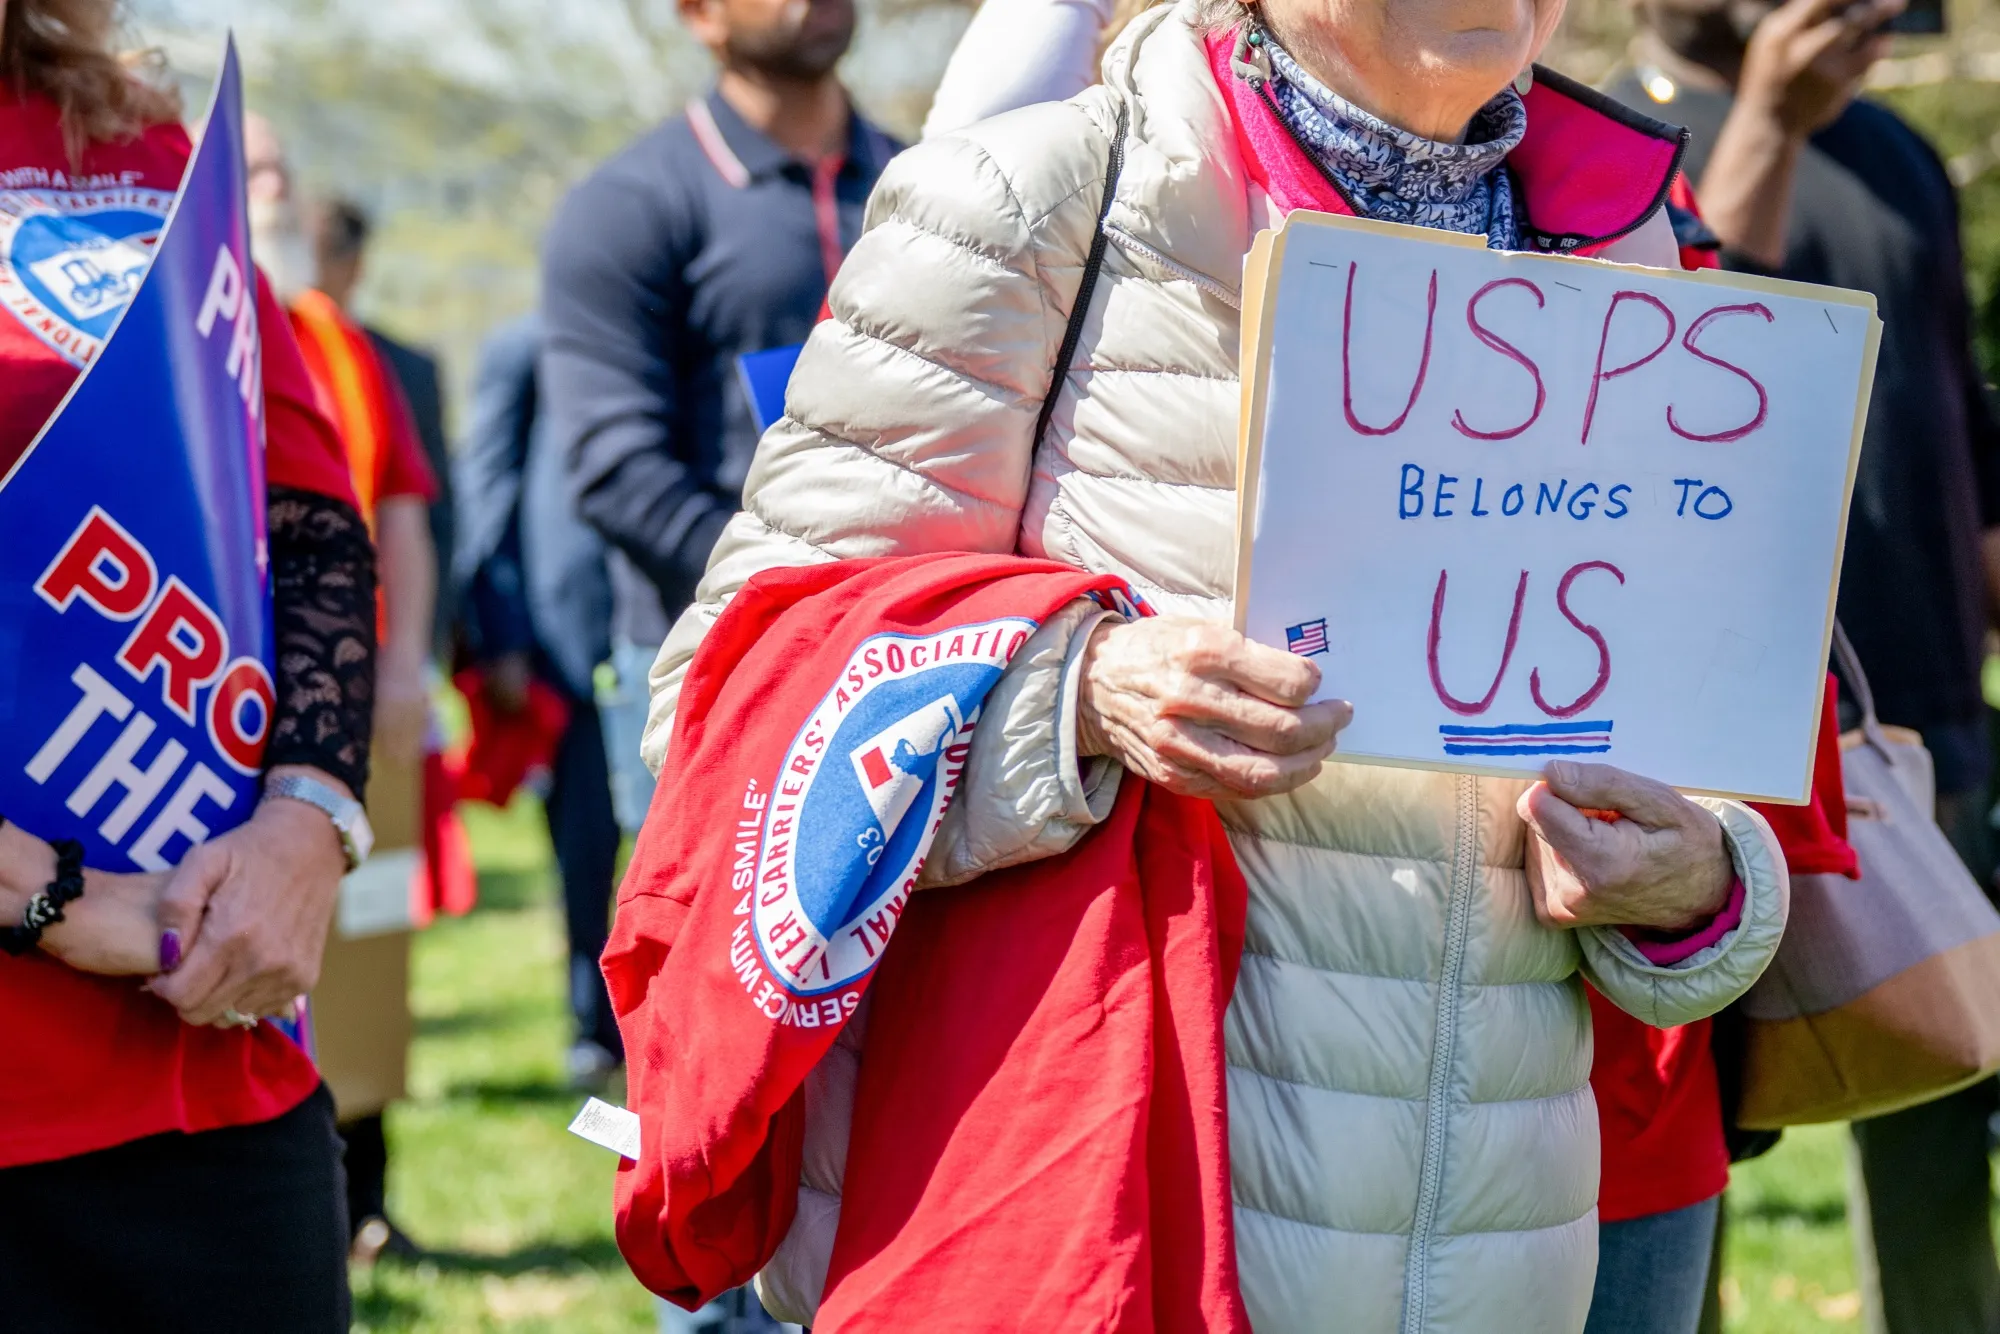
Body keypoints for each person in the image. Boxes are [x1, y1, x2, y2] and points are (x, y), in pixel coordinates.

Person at [640, 0, 1794, 1329]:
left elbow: (1705, 759)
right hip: (1105, 1213)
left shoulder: (1629, 248)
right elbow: (726, 711)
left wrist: (1698, 881)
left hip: (1496, 1249)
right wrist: (1081, 691)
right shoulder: (1030, 199)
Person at [1611, 4, 2000, 1328]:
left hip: (1923, 717)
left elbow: (1959, 418)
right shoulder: (1602, 148)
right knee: (1692, 1148)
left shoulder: (1891, 149)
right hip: (1725, 769)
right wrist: (1768, 120)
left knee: (1942, 1092)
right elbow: (1687, 374)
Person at [0, 2, 379, 1328]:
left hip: (200, 1049)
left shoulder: (130, 139)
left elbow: (309, 519)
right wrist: (46, 898)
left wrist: (305, 825)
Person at [540, 0, 898, 841]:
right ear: (699, 15)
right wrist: (792, 594)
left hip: (916, 649)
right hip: (708, 656)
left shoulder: (931, 180)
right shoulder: (626, 204)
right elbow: (615, 467)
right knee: (728, 960)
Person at [246, 115, 442, 1267]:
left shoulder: (338, 341)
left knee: (364, 948)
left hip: (345, 711)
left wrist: (405, 656)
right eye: (252, 169)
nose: (272, 186)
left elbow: (402, 508)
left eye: (283, 170)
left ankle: (365, 1195)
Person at [455, 313, 625, 1089]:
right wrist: (503, 635)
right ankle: (593, 1024)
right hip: (564, 644)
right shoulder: (525, 345)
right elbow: (486, 487)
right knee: (585, 848)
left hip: (659, 619)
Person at [314, 195, 459, 658]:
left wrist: (420, 649)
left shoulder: (400, 369)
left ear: (353, 267)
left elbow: (435, 516)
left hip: (376, 624)